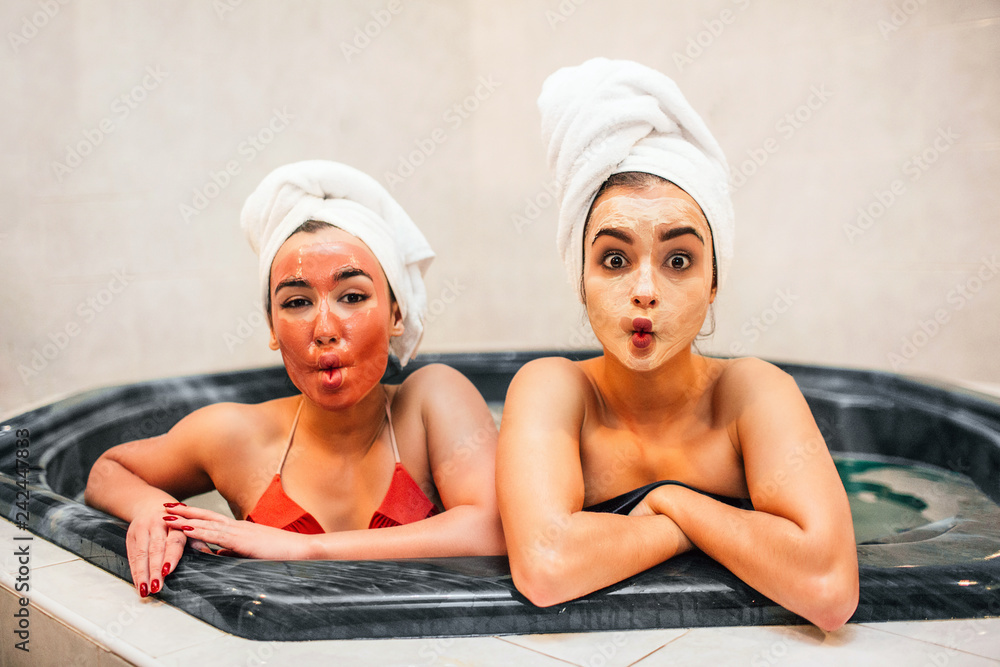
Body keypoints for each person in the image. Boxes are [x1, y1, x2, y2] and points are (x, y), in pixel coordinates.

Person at [497, 58, 858, 632]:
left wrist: (675, 502)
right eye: (614, 260)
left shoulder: (750, 393)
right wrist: (716, 527)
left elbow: (830, 589)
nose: (644, 292)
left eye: (679, 261)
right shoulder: (554, 388)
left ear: (714, 282)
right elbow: (546, 567)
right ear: (579, 276)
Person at [85, 160, 505, 598]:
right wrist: (155, 508)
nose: (324, 328)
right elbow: (107, 471)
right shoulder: (237, 437)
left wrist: (307, 549)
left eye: (353, 296)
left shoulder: (431, 402)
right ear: (271, 328)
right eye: (297, 302)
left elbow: (495, 531)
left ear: (397, 314)